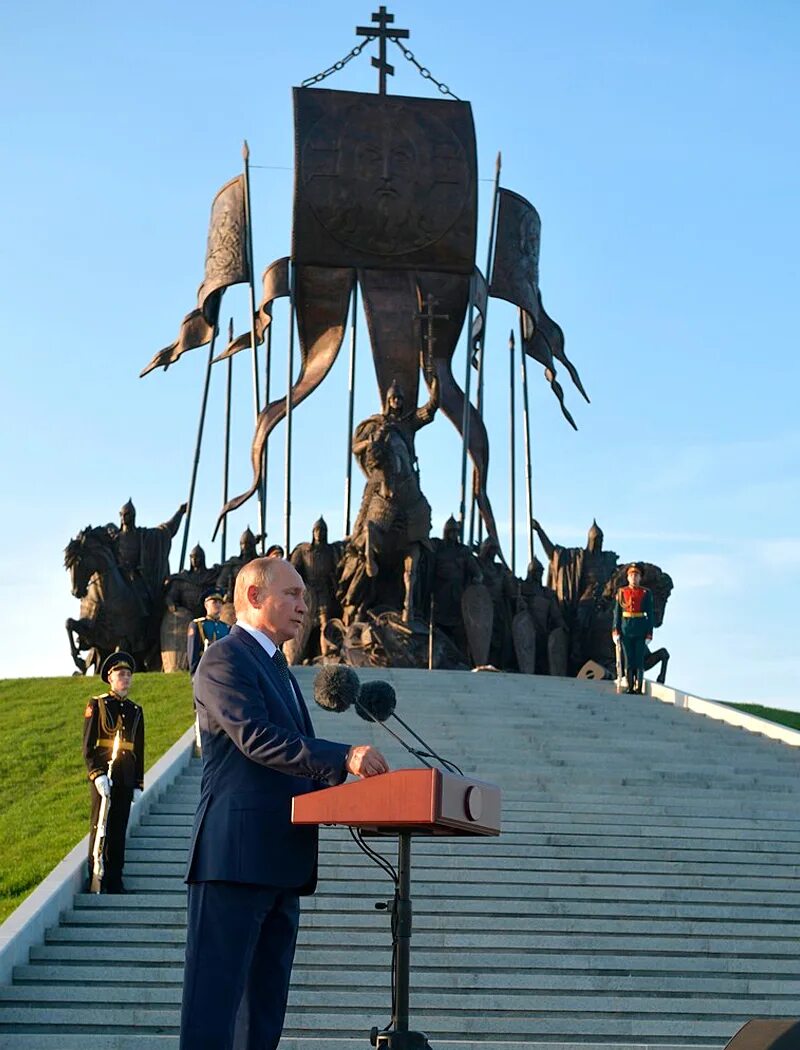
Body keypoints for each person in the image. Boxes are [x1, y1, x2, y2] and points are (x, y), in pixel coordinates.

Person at [179, 557, 389, 1050]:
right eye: (292, 594)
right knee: (213, 1015)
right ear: (253, 596)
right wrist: (345, 757)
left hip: (283, 862)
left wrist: (352, 794)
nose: (304, 604)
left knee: (263, 1020)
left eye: (303, 595)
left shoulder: (281, 670)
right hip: (233, 861)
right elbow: (256, 738)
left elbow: (295, 768)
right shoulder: (224, 659)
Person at [83, 651, 144, 894]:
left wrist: (138, 783)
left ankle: (115, 879)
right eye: (121, 674)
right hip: (104, 774)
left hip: (125, 774)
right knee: (100, 825)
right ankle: (96, 875)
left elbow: (139, 749)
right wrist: (96, 774)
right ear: (110, 677)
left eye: (128, 674)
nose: (125, 679)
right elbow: (88, 745)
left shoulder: (135, 710)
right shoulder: (97, 704)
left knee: (119, 827)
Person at [612, 562, 655, 694]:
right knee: (628, 659)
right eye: (631, 575)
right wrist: (615, 630)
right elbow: (617, 613)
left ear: (640, 578)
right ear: (627, 577)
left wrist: (649, 633)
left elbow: (650, 614)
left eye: (636, 575)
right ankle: (630, 686)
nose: (634, 577)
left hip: (640, 629)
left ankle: (638, 687)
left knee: (639, 659)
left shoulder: (645, 593)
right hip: (625, 630)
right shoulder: (621, 592)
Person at [186, 587, 230, 676]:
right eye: (214, 602)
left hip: (224, 671)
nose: (218, 605)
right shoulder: (197, 625)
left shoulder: (227, 627)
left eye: (220, 603)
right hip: (205, 671)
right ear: (206, 605)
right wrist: (194, 674)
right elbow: (193, 652)